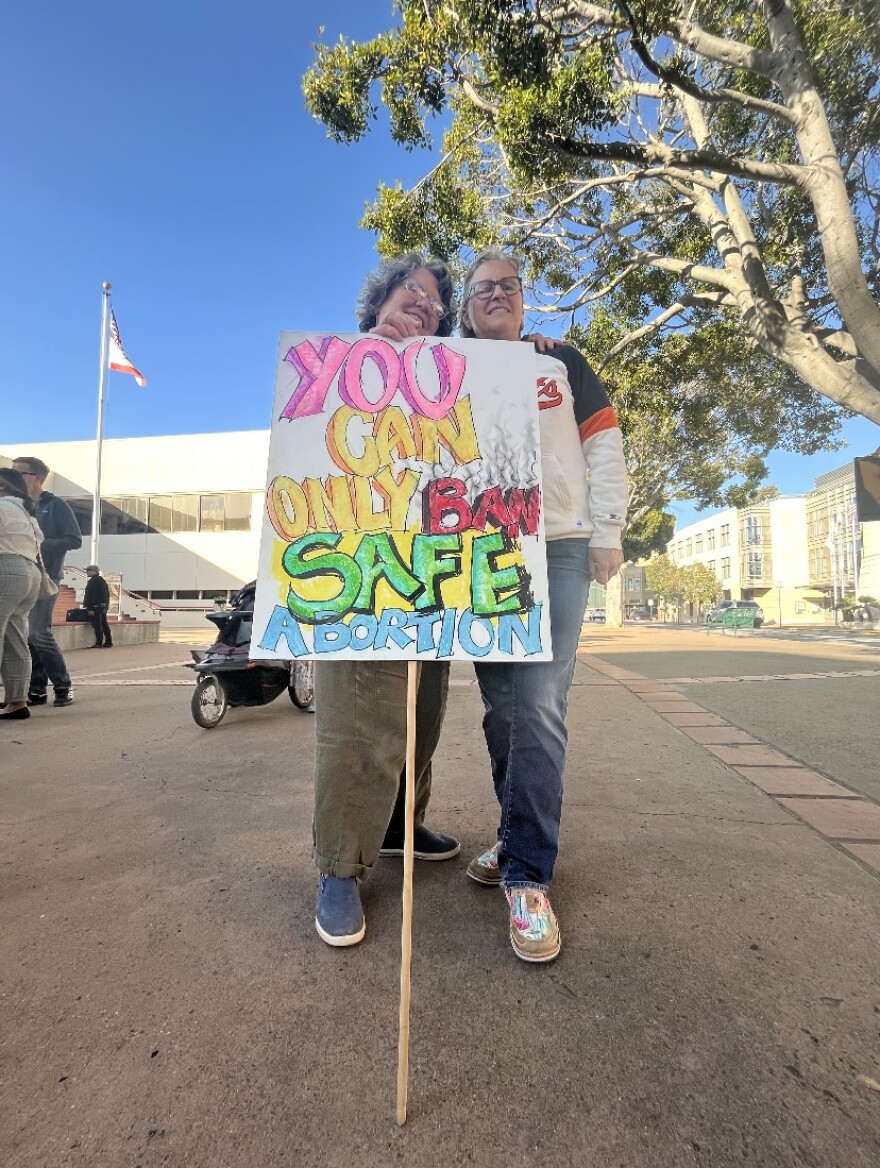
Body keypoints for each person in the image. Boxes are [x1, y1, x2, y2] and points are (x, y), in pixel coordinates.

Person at [459, 248, 629, 963]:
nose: (497, 294)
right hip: (479, 554)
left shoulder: (564, 362)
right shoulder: (450, 370)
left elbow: (606, 445)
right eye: (482, 288)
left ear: (525, 302)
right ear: (464, 308)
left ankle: (528, 875)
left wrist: (608, 529)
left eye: (509, 286)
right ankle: (514, 833)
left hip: (558, 546)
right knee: (502, 709)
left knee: (538, 705)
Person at [312, 254, 460, 947]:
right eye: (413, 294)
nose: (424, 308)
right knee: (356, 724)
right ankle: (340, 867)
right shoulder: (336, 363)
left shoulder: (445, 383)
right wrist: (376, 354)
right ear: (377, 303)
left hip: (425, 572)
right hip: (354, 573)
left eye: (434, 305)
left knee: (421, 714)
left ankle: (398, 826)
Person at [11, 456, 83, 708]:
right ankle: (36, 690)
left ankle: (63, 686)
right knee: (27, 636)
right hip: (18, 576)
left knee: (39, 633)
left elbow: (74, 539)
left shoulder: (55, 505)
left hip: (47, 576)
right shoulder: (16, 505)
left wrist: (38, 543)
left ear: (38, 478)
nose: (13, 477)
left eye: (19, 473)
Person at [0, 469, 43, 721]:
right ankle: (17, 701)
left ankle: (16, 701)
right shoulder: (25, 511)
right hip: (29, 573)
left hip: (5, 567)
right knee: (16, 638)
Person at [83, 565, 113, 648]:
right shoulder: (102, 581)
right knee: (104, 624)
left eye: (88, 570)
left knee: (97, 625)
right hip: (102, 606)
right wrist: (105, 606)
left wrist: (90, 608)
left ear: (93, 571)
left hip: (95, 607)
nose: (86, 572)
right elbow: (106, 595)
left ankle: (99, 643)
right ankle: (108, 642)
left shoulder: (93, 581)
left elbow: (90, 595)